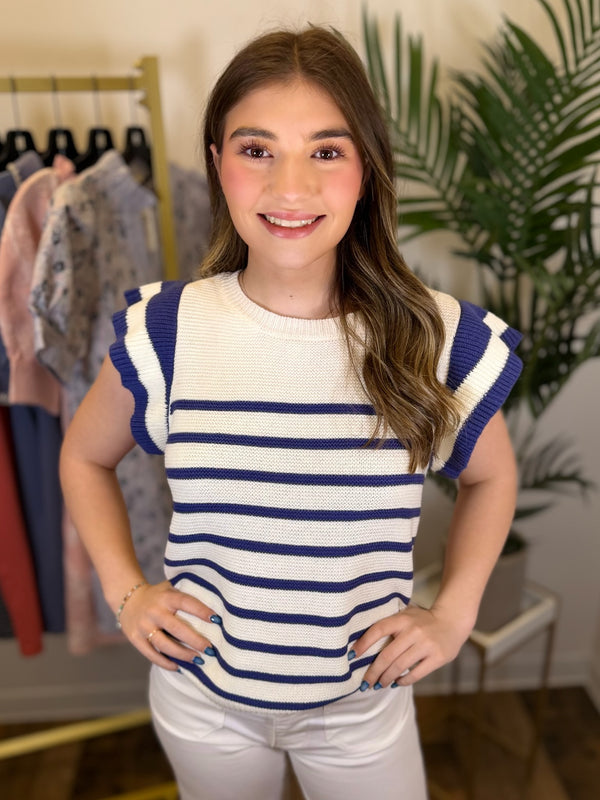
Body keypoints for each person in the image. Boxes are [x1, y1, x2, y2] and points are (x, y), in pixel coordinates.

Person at [59, 25, 522, 800]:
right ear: (217, 164)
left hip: (362, 709)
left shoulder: (437, 338)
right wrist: (127, 592)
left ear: (368, 169)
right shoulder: (169, 332)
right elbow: (82, 456)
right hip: (203, 701)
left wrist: (452, 615)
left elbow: (493, 478)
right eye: (257, 149)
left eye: (327, 151)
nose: (291, 187)